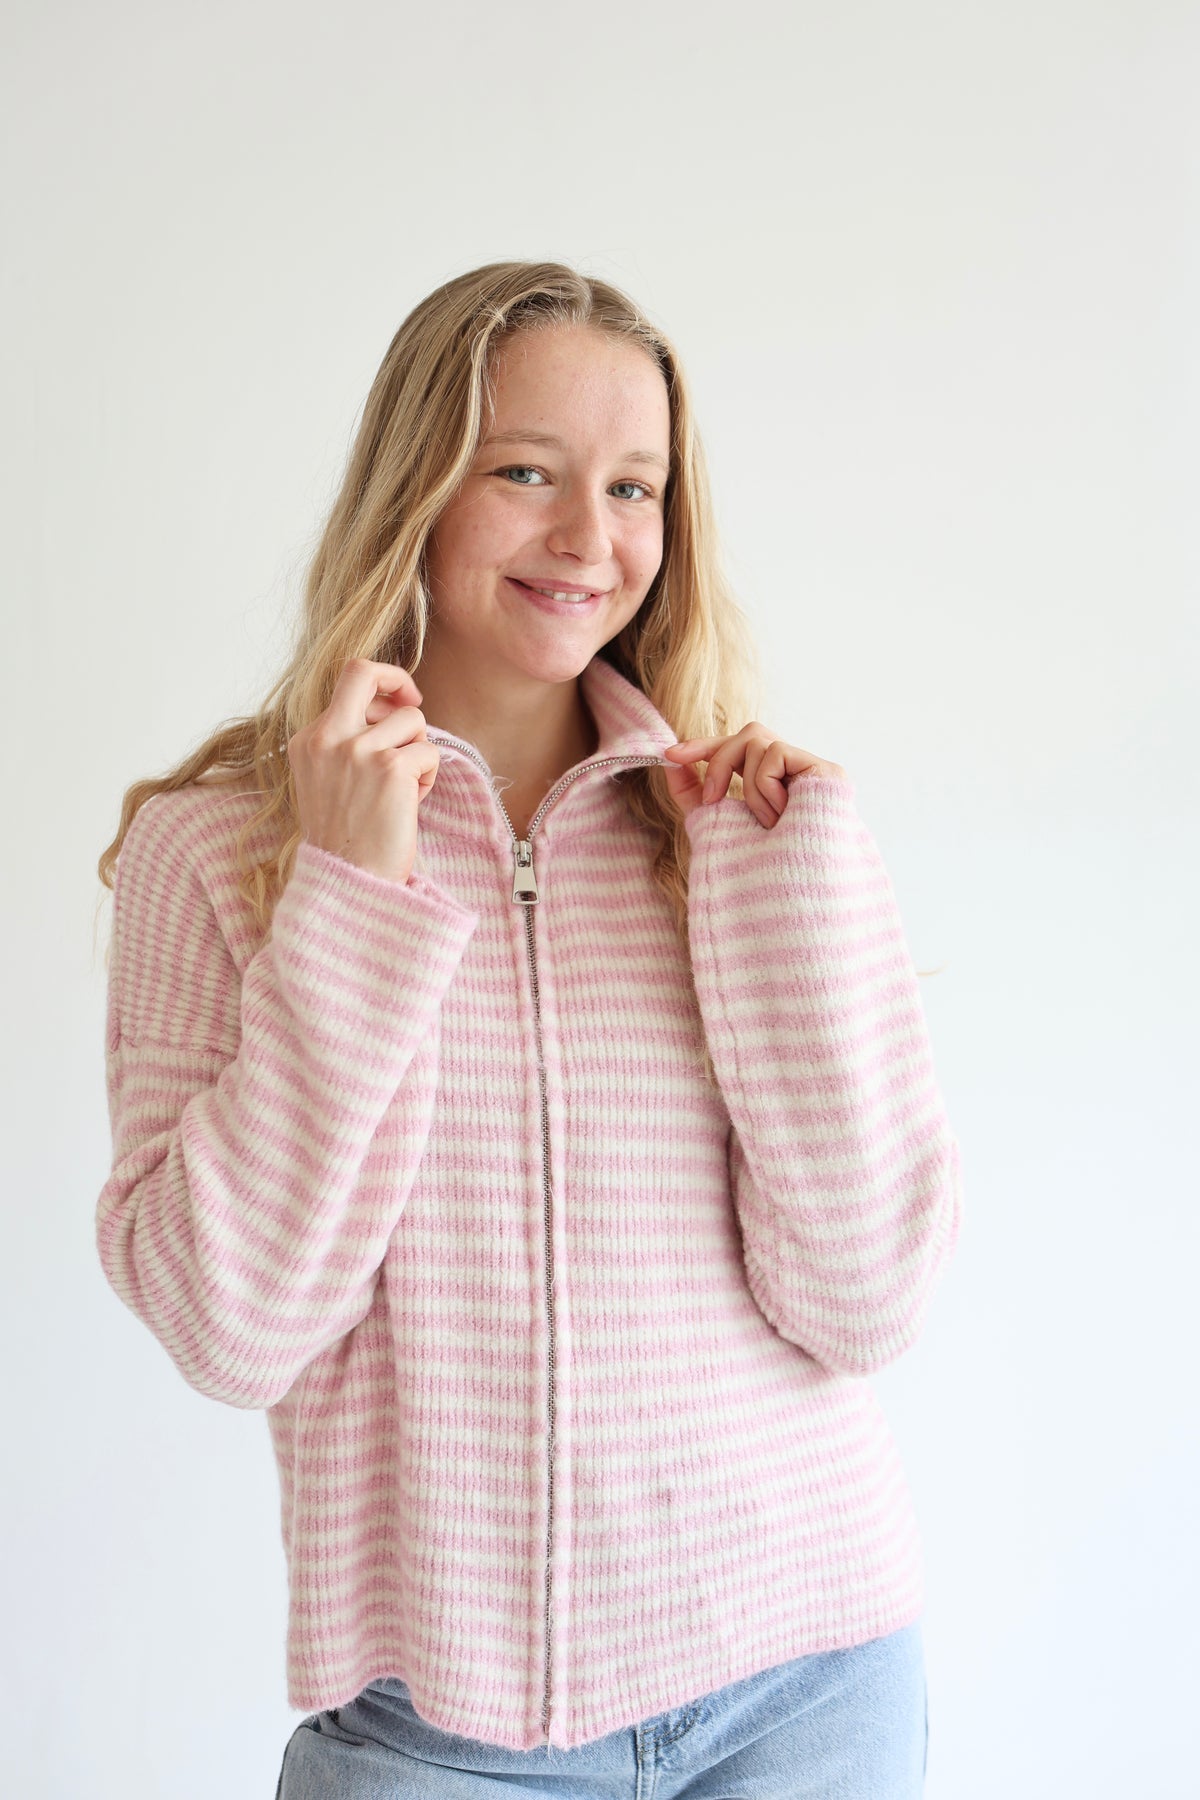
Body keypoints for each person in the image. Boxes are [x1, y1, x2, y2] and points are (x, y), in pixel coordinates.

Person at [95, 261, 963, 1798]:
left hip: (811, 1683)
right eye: (525, 473)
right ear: (418, 490)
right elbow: (232, 1327)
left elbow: (868, 1303)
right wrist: (350, 897)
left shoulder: (739, 842)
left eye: (634, 488)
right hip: (439, 1730)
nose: (588, 538)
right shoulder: (224, 850)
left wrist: (793, 902)